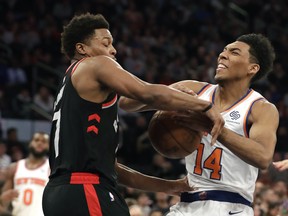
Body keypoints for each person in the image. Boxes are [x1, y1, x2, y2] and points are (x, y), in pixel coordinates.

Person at [42, 13, 224, 216]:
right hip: (86, 189)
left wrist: (170, 186)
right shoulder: (94, 65)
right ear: (81, 48)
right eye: (105, 43)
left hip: (63, 193)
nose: (113, 49)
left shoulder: (71, 84)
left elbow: (114, 170)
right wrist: (205, 107)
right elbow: (147, 92)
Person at [119, 33, 279, 215]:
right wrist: (164, 94)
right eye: (224, 50)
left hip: (230, 205)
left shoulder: (260, 108)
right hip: (187, 203)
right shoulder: (194, 89)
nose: (223, 55)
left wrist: (212, 128)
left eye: (234, 52)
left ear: (252, 68)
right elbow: (126, 102)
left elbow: (263, 158)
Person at [0, 132, 50, 216]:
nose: (40, 143)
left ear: (49, 146)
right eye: (36, 140)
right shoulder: (15, 167)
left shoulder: (51, 168)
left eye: (44, 141)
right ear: (30, 143)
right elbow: (3, 202)